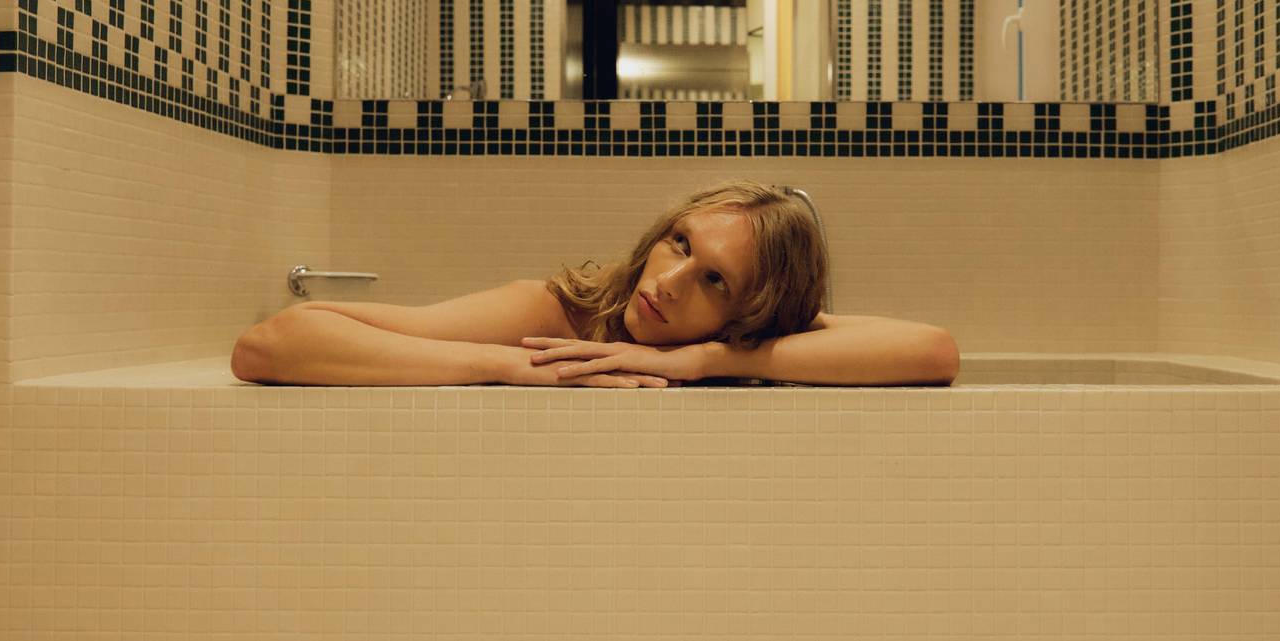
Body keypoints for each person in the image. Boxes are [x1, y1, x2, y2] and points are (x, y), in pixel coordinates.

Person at [230, 180, 959, 387]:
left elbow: (933, 352)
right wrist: (510, 365)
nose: (668, 283)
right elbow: (271, 344)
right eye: (679, 244)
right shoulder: (562, 315)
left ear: (754, 316)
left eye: (713, 280)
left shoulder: (748, 346)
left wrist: (700, 361)